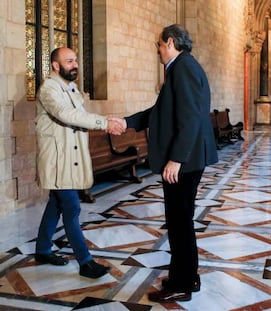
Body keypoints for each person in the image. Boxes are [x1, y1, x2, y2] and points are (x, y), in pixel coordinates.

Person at [116, 24, 218, 302]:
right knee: (181, 221)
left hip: (183, 161)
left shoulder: (182, 68)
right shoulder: (183, 67)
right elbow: (160, 111)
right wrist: (127, 122)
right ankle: (186, 277)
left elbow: (189, 117)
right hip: (188, 159)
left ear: (170, 42)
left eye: (159, 45)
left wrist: (176, 159)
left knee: (179, 223)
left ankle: (182, 283)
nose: (158, 50)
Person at [34, 47, 125, 278]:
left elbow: (78, 118)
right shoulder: (49, 90)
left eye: (76, 60)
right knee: (72, 206)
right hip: (57, 160)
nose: (75, 64)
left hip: (70, 158)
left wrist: (103, 122)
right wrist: (103, 122)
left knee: (56, 203)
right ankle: (85, 262)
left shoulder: (71, 87)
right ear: (55, 65)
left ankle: (43, 249)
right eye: (69, 61)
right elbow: (67, 115)